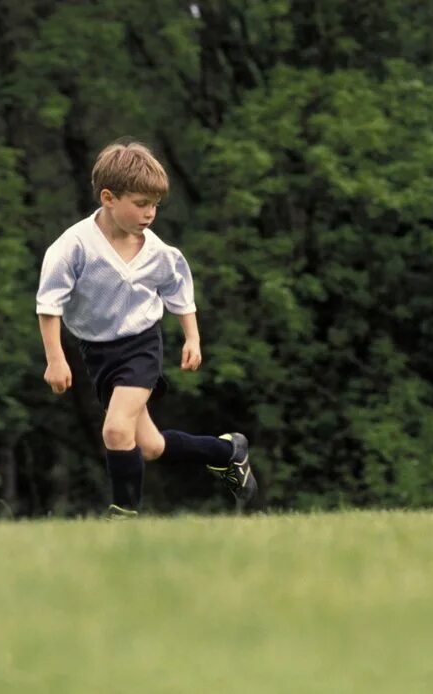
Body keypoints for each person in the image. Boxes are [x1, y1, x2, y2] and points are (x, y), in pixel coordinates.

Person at [35, 141, 257, 518]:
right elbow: (49, 304)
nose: (150, 213)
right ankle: (227, 452)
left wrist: (193, 337)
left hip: (141, 347)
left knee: (116, 431)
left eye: (155, 205)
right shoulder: (72, 247)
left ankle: (124, 517)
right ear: (108, 197)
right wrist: (55, 359)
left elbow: (178, 292)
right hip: (97, 354)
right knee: (150, 446)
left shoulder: (159, 253)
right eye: (141, 204)